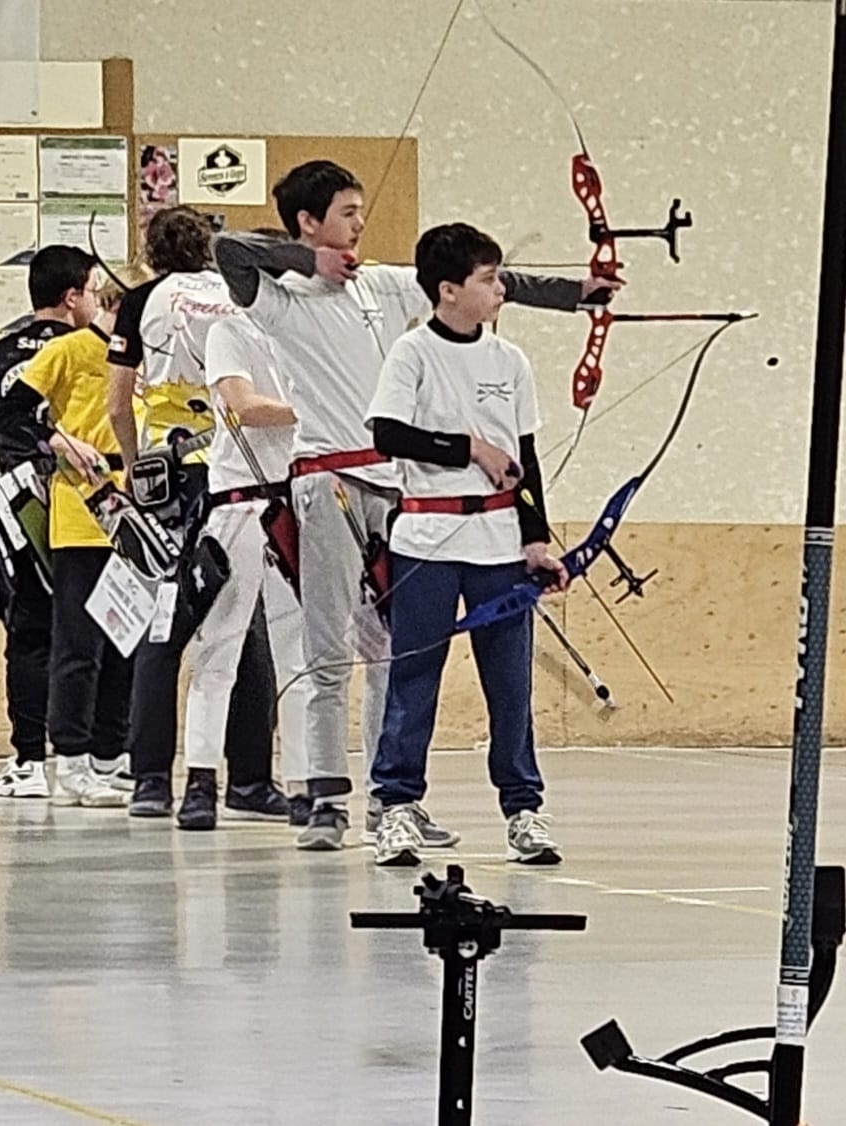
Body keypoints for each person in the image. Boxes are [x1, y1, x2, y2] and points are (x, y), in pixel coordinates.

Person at [215, 160, 611, 851]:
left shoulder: (382, 283)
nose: (359, 224)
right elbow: (228, 249)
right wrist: (309, 260)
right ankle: (325, 801)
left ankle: (389, 804)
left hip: (399, 493)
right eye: (346, 213)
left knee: (392, 653)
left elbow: (484, 283)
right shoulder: (280, 299)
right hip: (328, 484)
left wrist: (579, 294)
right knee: (327, 649)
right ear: (308, 222)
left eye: (358, 210)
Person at [365, 223, 569, 867]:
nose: (500, 289)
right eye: (487, 279)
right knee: (414, 674)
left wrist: (536, 540)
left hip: (499, 545)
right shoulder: (412, 353)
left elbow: (526, 457)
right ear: (447, 290)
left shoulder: (510, 361)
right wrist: (470, 449)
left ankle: (524, 810)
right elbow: (389, 433)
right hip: (427, 539)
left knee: (510, 686)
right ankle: (396, 806)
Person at [108, 206, 287, 821]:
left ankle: (151, 780)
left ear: (153, 253)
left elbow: (118, 404)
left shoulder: (141, 301)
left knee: (165, 625)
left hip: (174, 479)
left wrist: (134, 470)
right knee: (245, 625)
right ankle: (251, 779)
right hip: (242, 473)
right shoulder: (241, 297)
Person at [0, 262, 144, 807]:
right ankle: (72, 758)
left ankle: (112, 752)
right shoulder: (69, 350)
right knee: (78, 642)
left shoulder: (145, 356)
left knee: (126, 637)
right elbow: (10, 412)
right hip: (82, 507)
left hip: (136, 507)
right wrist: (58, 441)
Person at [177, 300, 313, 830]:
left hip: (297, 502)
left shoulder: (306, 333)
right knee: (219, 650)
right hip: (239, 504)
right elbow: (241, 405)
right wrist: (314, 408)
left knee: (298, 655)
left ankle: (303, 782)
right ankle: (200, 781)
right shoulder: (229, 331)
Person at [0, 245, 95, 798]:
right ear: (71, 296)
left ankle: (28, 759)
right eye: (92, 291)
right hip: (82, 500)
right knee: (85, 632)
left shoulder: (0, 352)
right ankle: (92, 754)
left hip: (17, 499)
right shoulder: (89, 349)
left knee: (28, 632)